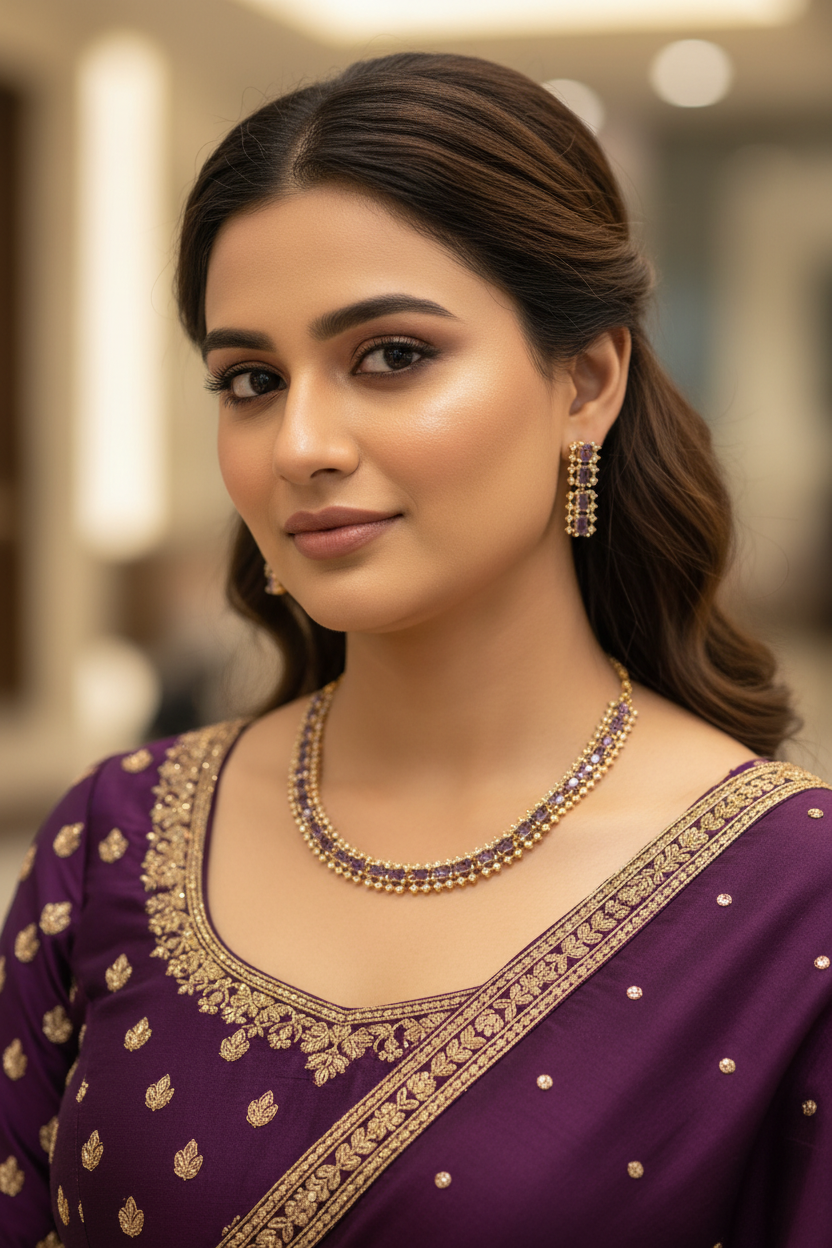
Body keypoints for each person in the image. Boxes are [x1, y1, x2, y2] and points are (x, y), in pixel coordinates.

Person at [1, 52, 829, 1248]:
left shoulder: (790, 899)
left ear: (585, 383)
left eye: (390, 355)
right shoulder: (115, 839)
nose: (300, 442)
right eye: (248, 379)